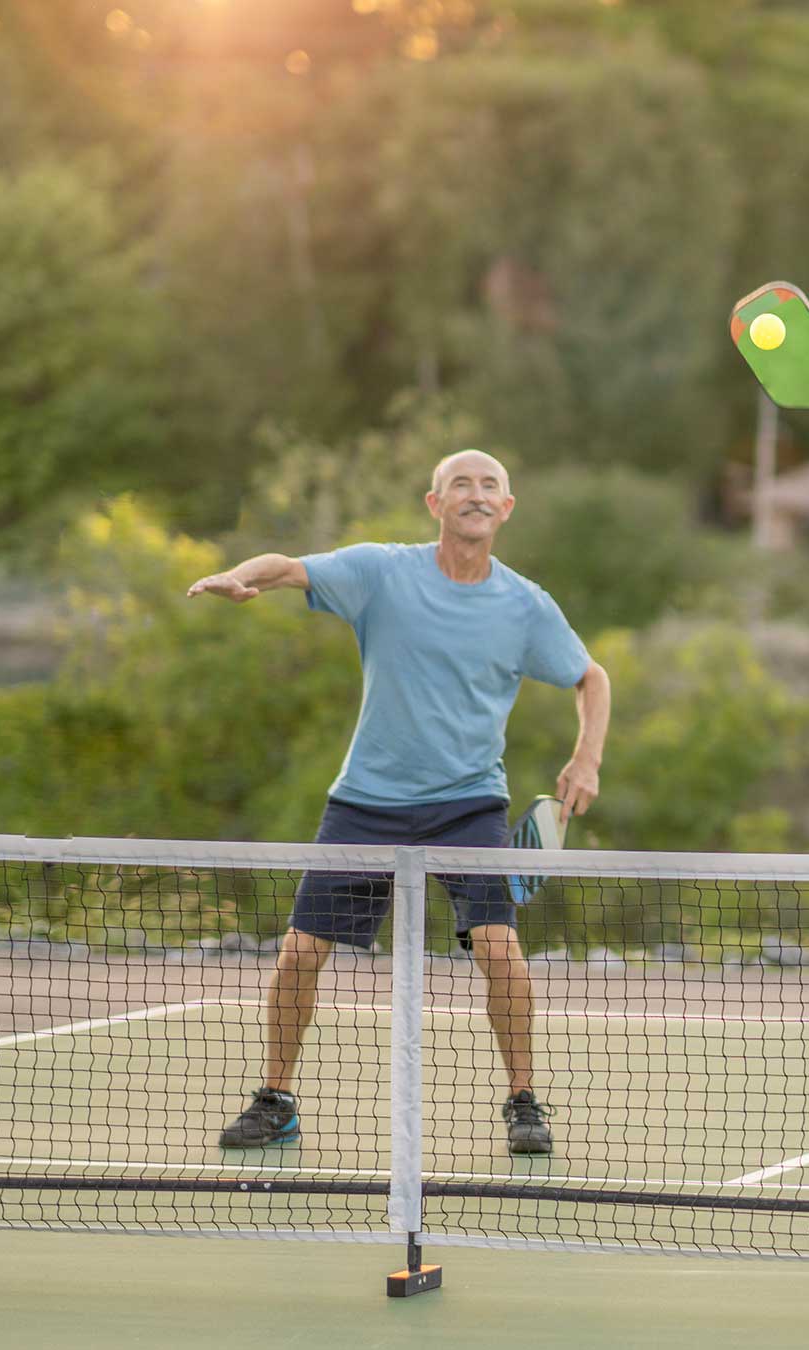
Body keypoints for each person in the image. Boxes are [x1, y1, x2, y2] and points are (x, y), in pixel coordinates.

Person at [185, 449, 610, 1155]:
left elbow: (590, 677)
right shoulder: (383, 572)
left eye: (490, 486)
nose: (475, 494)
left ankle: (524, 1103)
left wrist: (586, 758)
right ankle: (277, 1101)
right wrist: (239, 576)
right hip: (366, 801)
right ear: (434, 503)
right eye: (460, 484)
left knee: (502, 953)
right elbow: (288, 568)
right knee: (298, 955)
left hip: (468, 802)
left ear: (506, 509)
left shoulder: (526, 606)